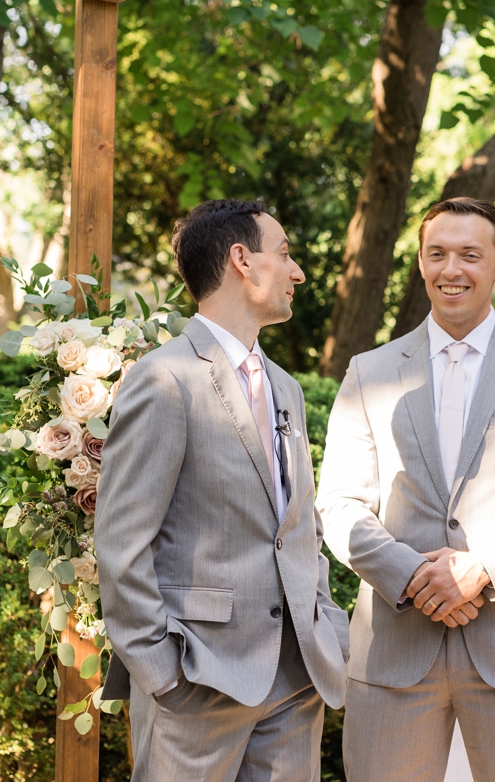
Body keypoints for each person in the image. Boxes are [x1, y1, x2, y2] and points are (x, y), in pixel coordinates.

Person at [317, 198, 495, 782]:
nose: (451, 269)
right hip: (396, 647)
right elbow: (339, 504)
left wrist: (481, 571)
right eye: (437, 254)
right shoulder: (368, 371)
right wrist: (411, 576)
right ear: (422, 263)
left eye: (470, 255)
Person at [97, 199, 350, 782]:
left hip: (296, 677)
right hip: (197, 678)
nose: (298, 273)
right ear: (242, 260)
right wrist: (161, 673)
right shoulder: (164, 379)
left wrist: (325, 625)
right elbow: (121, 541)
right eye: (284, 255)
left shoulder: (285, 388)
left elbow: (299, 527)